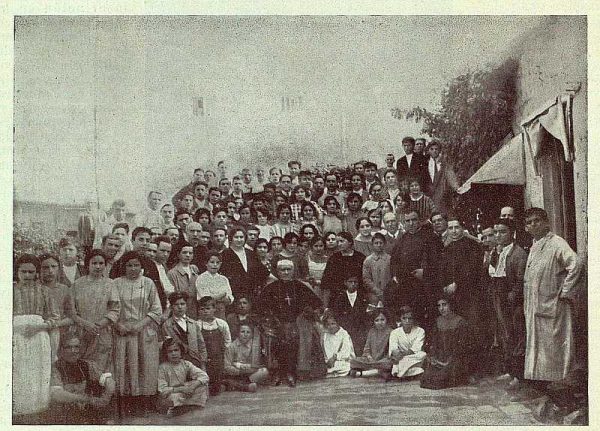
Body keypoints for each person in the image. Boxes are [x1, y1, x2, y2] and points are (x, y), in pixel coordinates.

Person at [522, 208, 584, 383]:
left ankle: (561, 385)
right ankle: (544, 384)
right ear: (526, 228)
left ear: (546, 222)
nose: (533, 225)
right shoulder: (534, 246)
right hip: (537, 305)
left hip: (554, 305)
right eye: (529, 222)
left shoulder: (557, 243)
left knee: (555, 346)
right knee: (540, 349)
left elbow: (576, 264)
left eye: (537, 221)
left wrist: (565, 292)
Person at [256, 260, 325, 386]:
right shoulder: (270, 288)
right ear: (278, 272)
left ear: (293, 271)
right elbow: (260, 308)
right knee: (276, 341)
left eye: (288, 269)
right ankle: (278, 373)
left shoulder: (299, 285)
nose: (286, 272)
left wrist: (306, 313)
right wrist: (269, 320)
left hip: (296, 323)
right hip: (275, 324)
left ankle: (291, 372)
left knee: (292, 339)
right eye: (283, 270)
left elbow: (317, 304)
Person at [112, 251, 162, 415]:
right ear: (123, 267)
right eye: (129, 265)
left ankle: (143, 403)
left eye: (136, 265)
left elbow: (156, 309)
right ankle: (127, 402)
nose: (133, 269)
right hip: (123, 331)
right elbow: (110, 308)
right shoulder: (116, 283)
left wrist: (140, 324)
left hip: (144, 330)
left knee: (144, 366)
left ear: (142, 267)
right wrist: (118, 324)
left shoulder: (148, 283)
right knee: (126, 366)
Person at [13, 254, 55, 418]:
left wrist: (39, 326)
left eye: (32, 272)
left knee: (37, 372)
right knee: (19, 372)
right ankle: (17, 411)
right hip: (16, 337)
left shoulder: (44, 291)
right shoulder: (9, 290)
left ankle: (38, 411)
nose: (28, 276)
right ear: (17, 272)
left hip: (38, 336)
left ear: (37, 273)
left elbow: (54, 317)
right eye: (24, 272)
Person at [489, 219, 528, 389]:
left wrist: (513, 295)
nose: (498, 235)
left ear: (512, 233)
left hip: (512, 298)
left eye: (502, 232)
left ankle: (519, 377)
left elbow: (521, 279)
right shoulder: (497, 252)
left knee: (516, 334)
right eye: (496, 232)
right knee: (505, 334)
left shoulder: (518, 253)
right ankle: (510, 370)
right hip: (499, 295)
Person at [68, 250, 120, 371]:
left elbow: (115, 309)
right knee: (82, 365)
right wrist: (86, 325)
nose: (98, 266)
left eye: (101, 263)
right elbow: (71, 311)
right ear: (88, 265)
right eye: (94, 263)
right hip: (82, 332)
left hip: (102, 332)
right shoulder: (77, 284)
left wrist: (97, 326)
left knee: (102, 368)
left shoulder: (110, 284)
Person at [388, 210, 442, 326]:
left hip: (425, 286)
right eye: (408, 221)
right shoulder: (403, 239)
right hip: (407, 286)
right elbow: (394, 260)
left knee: (426, 320)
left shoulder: (430, 237)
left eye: (414, 220)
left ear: (419, 221)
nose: (411, 223)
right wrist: (395, 275)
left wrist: (426, 272)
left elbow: (439, 262)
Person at [47, 335, 116, 424]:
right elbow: (56, 394)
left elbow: (108, 379)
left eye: (76, 347)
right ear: (61, 350)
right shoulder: (55, 368)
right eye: (69, 347)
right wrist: (86, 399)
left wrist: (106, 396)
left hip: (85, 410)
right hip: (67, 413)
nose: (73, 351)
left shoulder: (86, 364)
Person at [420, 296, 470, 390]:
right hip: (440, 357)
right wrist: (433, 357)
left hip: (455, 358)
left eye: (444, 305)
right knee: (425, 380)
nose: (441, 308)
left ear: (451, 305)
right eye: (439, 306)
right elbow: (434, 342)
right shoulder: (438, 321)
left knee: (440, 380)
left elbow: (462, 347)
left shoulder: (460, 322)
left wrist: (448, 361)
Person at [157, 338, 209, 416]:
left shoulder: (186, 364)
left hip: (185, 391)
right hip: (173, 392)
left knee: (202, 387)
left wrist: (193, 386)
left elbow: (204, 376)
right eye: (170, 351)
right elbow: (162, 390)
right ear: (166, 353)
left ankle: (184, 407)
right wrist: (181, 389)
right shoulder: (162, 367)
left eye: (176, 350)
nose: (174, 353)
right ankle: (187, 406)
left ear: (181, 351)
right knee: (172, 398)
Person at [161, 292, 208, 371]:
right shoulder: (167, 325)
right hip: (177, 364)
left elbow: (201, 345)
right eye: (176, 304)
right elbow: (167, 346)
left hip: (195, 361)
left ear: (186, 306)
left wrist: (203, 365)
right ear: (172, 307)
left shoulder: (193, 323)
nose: (180, 307)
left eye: (182, 304)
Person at [220, 227, 270, 300]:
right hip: (233, 294)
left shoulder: (251, 253)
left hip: (251, 294)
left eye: (241, 237)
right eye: (236, 237)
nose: (239, 240)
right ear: (231, 238)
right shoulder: (224, 254)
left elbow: (264, 273)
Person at [39, 253, 73, 361]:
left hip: (61, 336)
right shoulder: (35, 289)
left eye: (53, 266)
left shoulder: (64, 289)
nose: (50, 270)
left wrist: (56, 324)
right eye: (45, 267)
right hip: (39, 334)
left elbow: (72, 317)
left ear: (59, 268)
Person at [197, 296, 232, 396]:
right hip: (204, 358)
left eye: (208, 309)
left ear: (214, 309)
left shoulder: (221, 324)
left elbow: (227, 340)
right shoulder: (197, 325)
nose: (205, 311)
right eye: (202, 309)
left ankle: (221, 384)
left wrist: (224, 353)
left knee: (217, 381)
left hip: (218, 357)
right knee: (206, 380)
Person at [320, 232, 366, 308]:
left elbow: (364, 278)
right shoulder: (334, 258)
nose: (339, 244)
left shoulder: (360, 257)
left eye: (342, 241)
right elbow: (327, 282)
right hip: (338, 296)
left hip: (357, 295)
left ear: (350, 242)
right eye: (337, 242)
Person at [329, 274, 369, 356]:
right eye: (350, 282)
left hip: (359, 330)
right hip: (345, 329)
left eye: (355, 282)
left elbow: (365, 315)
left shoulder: (363, 297)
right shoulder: (340, 298)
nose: (353, 284)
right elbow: (337, 315)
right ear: (345, 283)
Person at [223, 324, 270, 392]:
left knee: (264, 371)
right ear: (238, 333)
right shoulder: (232, 347)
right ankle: (244, 386)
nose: (245, 334)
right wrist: (240, 370)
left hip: (250, 373)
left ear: (251, 335)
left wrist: (239, 365)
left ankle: (240, 384)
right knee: (227, 376)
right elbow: (227, 366)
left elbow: (257, 365)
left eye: (248, 332)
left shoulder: (255, 346)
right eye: (242, 332)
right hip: (237, 373)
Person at [349, 309, 393, 378]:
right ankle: (377, 371)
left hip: (383, 361)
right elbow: (366, 349)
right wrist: (370, 358)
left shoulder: (391, 332)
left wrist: (381, 360)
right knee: (353, 361)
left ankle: (365, 373)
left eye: (382, 320)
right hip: (370, 360)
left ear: (386, 320)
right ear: (373, 322)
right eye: (377, 320)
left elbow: (390, 353)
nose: (380, 322)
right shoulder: (371, 331)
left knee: (388, 363)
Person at [386, 306, 426, 380]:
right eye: (404, 318)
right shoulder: (394, 332)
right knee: (394, 359)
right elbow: (393, 349)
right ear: (400, 319)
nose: (407, 321)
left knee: (422, 355)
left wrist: (402, 355)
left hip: (411, 356)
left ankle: (398, 371)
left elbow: (415, 349)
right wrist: (397, 354)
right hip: (402, 358)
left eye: (410, 318)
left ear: (413, 319)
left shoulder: (420, 331)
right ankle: (414, 371)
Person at [423, 141, 459, 215]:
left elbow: (451, 177)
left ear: (439, 150)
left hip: (441, 195)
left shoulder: (444, 163)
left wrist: (457, 188)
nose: (434, 151)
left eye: (436, 149)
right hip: (428, 195)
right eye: (432, 149)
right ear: (428, 150)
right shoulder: (424, 163)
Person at [195, 251, 234, 319]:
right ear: (206, 263)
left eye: (217, 263)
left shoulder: (224, 279)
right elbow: (205, 299)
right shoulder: (201, 278)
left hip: (221, 313)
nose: (215, 265)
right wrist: (221, 295)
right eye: (212, 262)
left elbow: (229, 298)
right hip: (206, 312)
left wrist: (223, 298)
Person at [168, 241, 201, 319]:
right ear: (178, 254)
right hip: (178, 313)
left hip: (194, 312)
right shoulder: (172, 273)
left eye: (190, 253)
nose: (187, 255)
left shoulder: (195, 273)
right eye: (184, 252)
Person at [322, 312, 356, 378]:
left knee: (346, 366)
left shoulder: (344, 334)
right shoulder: (325, 335)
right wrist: (328, 361)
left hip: (344, 360)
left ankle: (334, 372)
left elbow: (346, 352)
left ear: (337, 323)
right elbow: (326, 352)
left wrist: (335, 357)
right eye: (328, 324)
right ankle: (333, 371)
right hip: (330, 362)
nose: (330, 327)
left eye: (333, 324)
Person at [362, 233, 392, 305]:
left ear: (384, 244)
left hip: (388, 293)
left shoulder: (389, 259)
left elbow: (393, 276)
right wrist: (376, 290)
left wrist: (387, 290)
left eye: (381, 243)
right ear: (372, 245)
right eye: (376, 243)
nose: (379, 245)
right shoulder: (368, 260)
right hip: (373, 294)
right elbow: (366, 278)